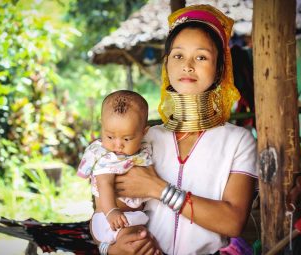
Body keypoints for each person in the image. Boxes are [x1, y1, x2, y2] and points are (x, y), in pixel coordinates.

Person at [104, 4, 258, 255]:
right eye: (178, 55)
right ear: (166, 65)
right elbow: (111, 209)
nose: (187, 65)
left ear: (219, 69)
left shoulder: (238, 141)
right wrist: (111, 247)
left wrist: (158, 189)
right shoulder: (145, 138)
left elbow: (232, 221)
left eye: (201, 57)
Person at [77, 90, 152, 249]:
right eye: (110, 137)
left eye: (126, 138)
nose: (117, 145)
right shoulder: (106, 156)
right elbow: (105, 184)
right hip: (110, 220)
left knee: (145, 243)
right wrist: (112, 211)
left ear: (144, 132)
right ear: (102, 125)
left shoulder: (144, 150)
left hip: (130, 218)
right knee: (135, 240)